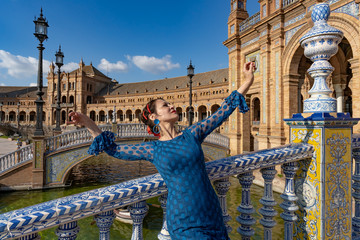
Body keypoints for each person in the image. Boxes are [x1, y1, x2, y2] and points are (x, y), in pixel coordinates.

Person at [68, 62, 255, 240]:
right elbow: (113, 149)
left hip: (211, 212)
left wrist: (247, 80)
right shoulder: (152, 149)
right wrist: (87, 122)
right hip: (184, 220)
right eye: (165, 105)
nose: (172, 105)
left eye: (170, 103)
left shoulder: (192, 134)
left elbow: (223, 110)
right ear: (153, 117)